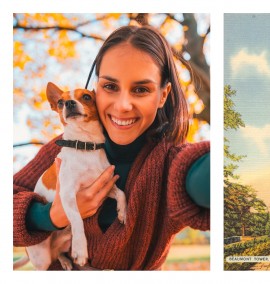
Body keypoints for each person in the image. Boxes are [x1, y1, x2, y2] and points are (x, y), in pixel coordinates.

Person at [13, 25, 210, 270]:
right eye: (110, 86)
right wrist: (50, 216)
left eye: (141, 89)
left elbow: (202, 177)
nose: (122, 105)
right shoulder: (60, 149)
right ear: (96, 89)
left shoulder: (170, 162)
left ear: (162, 95)